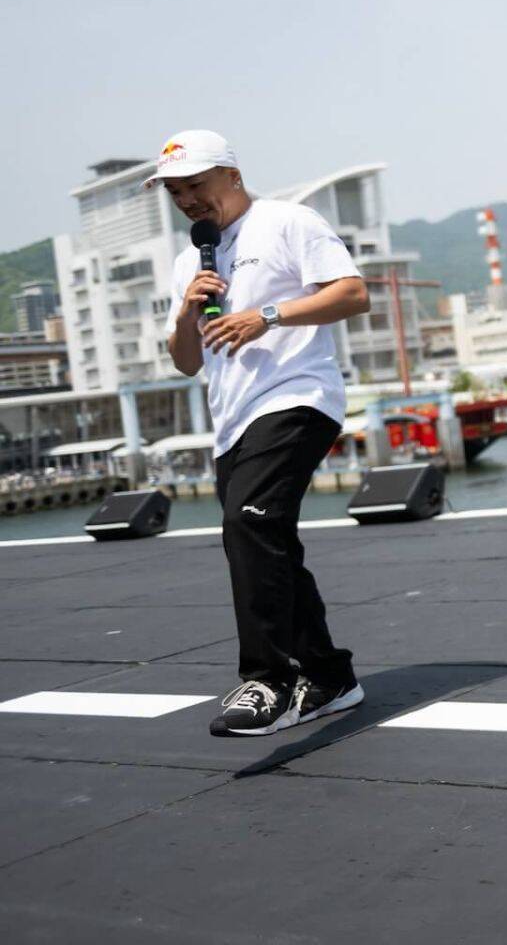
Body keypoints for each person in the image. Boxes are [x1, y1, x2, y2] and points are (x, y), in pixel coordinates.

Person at [152, 130, 371, 737]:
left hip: (298, 397)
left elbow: (353, 294)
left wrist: (266, 315)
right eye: (176, 192)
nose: (188, 200)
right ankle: (331, 677)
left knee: (249, 524)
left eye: (196, 184)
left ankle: (270, 679)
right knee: (262, 540)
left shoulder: (287, 222)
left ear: (232, 175)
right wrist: (185, 314)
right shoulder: (185, 263)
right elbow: (186, 362)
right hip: (232, 421)